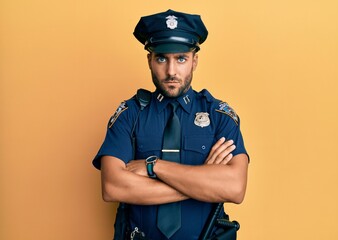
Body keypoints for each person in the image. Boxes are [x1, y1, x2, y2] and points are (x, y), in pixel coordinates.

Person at [92, 9, 249, 240]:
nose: (171, 71)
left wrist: (153, 166)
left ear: (195, 61)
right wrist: (202, 184)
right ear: (150, 60)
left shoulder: (218, 116)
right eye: (162, 58)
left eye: (181, 59)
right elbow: (113, 187)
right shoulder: (130, 114)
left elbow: (235, 188)